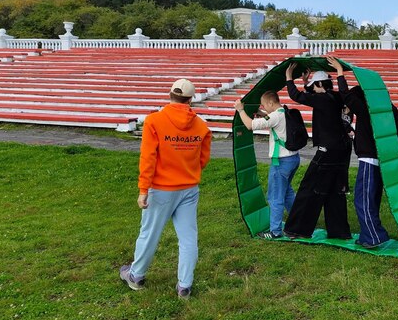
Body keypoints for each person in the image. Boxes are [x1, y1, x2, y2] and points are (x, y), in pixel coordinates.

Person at [120, 79, 212, 299]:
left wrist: (143, 189)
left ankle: (136, 275)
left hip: (161, 188)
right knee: (188, 238)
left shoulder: (154, 121)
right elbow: (203, 159)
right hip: (189, 188)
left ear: (170, 95)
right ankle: (185, 285)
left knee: (149, 233)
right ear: (190, 99)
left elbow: (148, 158)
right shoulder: (201, 125)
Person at [326, 55, 398, 248]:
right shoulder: (390, 108)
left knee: (363, 200)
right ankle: (373, 234)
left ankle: (373, 237)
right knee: (372, 199)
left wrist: (340, 73)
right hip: (383, 159)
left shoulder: (367, 109)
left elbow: (346, 95)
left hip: (369, 159)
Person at [283, 63, 352, 240]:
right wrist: (307, 82)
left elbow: (296, 96)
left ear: (320, 84)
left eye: (314, 85)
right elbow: (313, 94)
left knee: (310, 188)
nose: (312, 89)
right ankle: (339, 232)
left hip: (327, 151)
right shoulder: (336, 97)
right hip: (342, 149)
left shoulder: (322, 100)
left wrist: (289, 78)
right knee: (335, 191)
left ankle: (297, 229)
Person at [234, 91, 300, 239]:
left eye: (264, 105)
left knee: (275, 197)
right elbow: (271, 119)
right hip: (293, 159)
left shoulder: (275, 116)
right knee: (287, 192)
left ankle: (275, 231)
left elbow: (250, 125)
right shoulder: (285, 112)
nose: (264, 107)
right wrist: (260, 112)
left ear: (271, 103)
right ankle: (298, 222)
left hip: (281, 162)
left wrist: (240, 110)